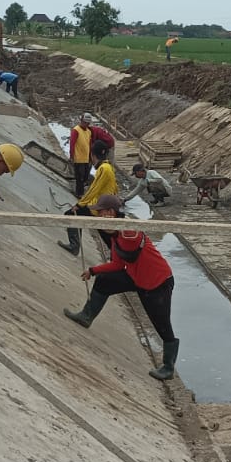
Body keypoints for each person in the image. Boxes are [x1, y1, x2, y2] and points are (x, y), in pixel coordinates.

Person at [63, 194, 180, 381]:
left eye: (101, 212)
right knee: (104, 281)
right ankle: (86, 316)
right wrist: (93, 270)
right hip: (135, 277)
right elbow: (118, 264)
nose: (99, 216)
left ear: (111, 212)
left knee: (162, 325)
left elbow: (132, 233)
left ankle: (168, 367)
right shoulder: (116, 236)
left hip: (157, 282)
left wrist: (115, 225)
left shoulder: (128, 230)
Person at [59, 141, 115, 255]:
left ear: (93, 156)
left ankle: (74, 246)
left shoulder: (104, 169)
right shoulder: (108, 167)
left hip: (99, 208)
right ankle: (117, 257)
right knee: (107, 236)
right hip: (104, 206)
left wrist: (80, 205)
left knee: (70, 215)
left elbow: (94, 189)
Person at [68, 112, 115, 195]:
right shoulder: (79, 131)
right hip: (82, 157)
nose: (86, 124)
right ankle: (83, 189)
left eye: (87, 123)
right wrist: (72, 156)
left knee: (105, 167)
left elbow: (92, 146)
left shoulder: (92, 132)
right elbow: (74, 144)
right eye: (84, 122)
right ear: (81, 121)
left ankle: (103, 184)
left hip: (107, 147)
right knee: (81, 175)